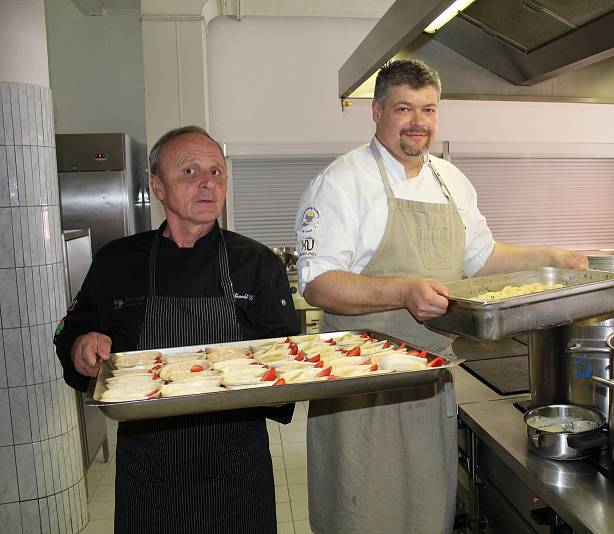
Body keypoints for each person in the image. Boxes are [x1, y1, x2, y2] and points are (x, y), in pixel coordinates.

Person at [295, 59, 587, 534]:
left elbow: (482, 258)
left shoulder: (451, 180)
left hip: (430, 379)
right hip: (360, 385)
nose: (419, 122)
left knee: (425, 512)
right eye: (404, 108)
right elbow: (319, 283)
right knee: (360, 513)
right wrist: (404, 291)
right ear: (377, 111)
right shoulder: (342, 182)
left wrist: (548, 258)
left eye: (428, 110)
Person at [54, 126, 299, 533]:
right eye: (189, 171)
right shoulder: (118, 262)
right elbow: (73, 334)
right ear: (157, 186)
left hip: (238, 471)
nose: (208, 183)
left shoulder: (257, 264)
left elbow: (284, 358)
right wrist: (81, 346)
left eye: (217, 172)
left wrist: (282, 386)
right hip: (149, 474)